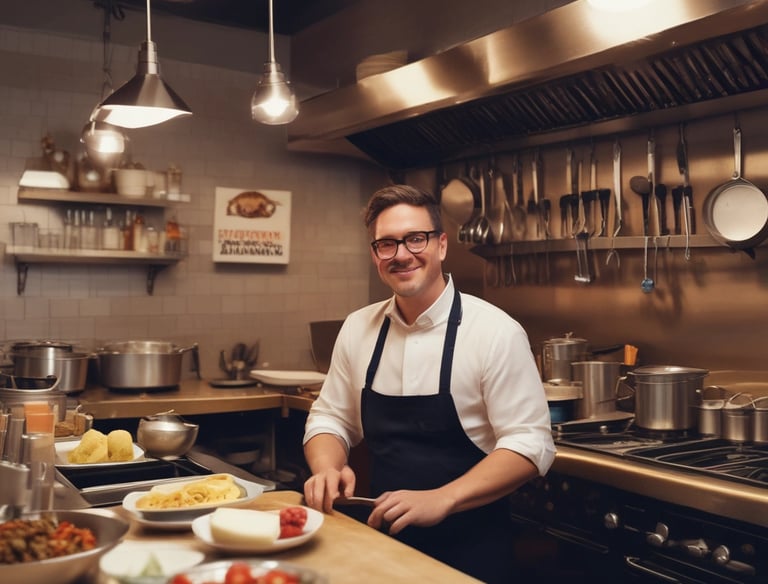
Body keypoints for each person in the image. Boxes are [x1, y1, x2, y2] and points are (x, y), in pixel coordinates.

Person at [302, 184, 555, 583]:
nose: (401, 255)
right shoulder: (357, 328)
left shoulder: (495, 332)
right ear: (375, 255)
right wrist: (327, 468)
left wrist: (444, 498)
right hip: (385, 547)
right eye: (387, 244)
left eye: (415, 239)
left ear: (440, 245)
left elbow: (529, 444)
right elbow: (330, 418)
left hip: (473, 552)